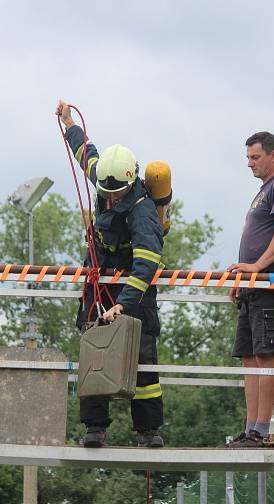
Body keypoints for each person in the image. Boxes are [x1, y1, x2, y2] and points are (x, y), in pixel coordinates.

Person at [56, 100, 165, 448]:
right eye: (105, 191)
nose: (108, 196)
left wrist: (125, 304)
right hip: (100, 281)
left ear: (129, 183)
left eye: (114, 193)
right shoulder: (106, 180)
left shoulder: (143, 211)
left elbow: (147, 264)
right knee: (93, 349)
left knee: (143, 356)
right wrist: (69, 122)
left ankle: (149, 432)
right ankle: (94, 428)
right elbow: (84, 153)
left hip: (133, 286)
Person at [225, 131, 274, 448]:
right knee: (249, 356)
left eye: (255, 157)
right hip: (253, 285)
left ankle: (262, 430)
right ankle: (251, 429)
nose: (250, 163)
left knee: (265, 355)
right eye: (247, 157)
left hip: (270, 284)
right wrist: (243, 280)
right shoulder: (265, 190)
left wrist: (257, 267)